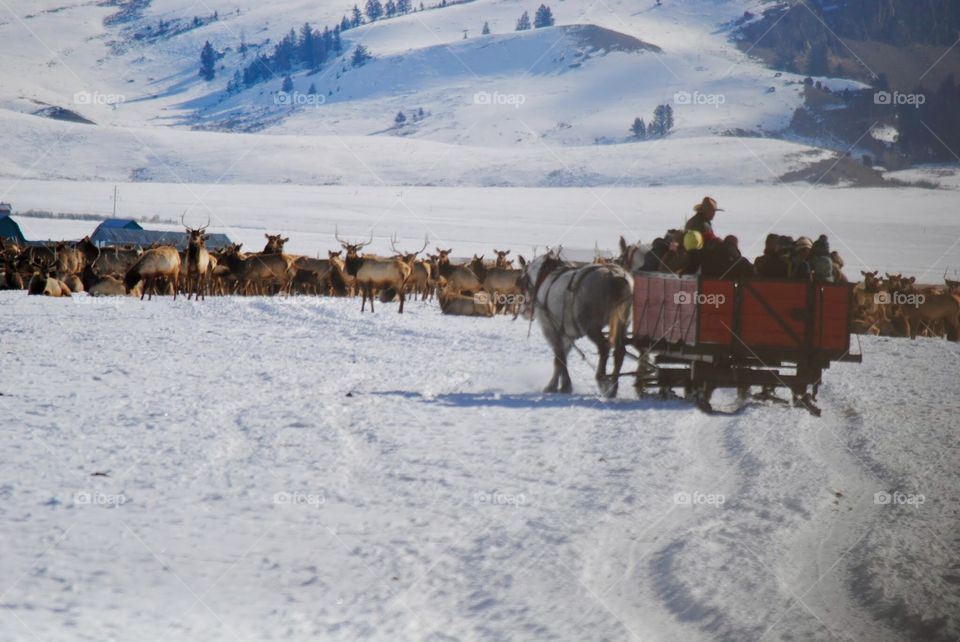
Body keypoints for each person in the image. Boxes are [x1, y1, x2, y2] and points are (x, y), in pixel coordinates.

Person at [680, 196, 722, 275]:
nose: (714, 214)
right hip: (699, 259)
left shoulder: (694, 220)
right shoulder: (703, 224)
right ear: (706, 211)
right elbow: (708, 243)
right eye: (712, 211)